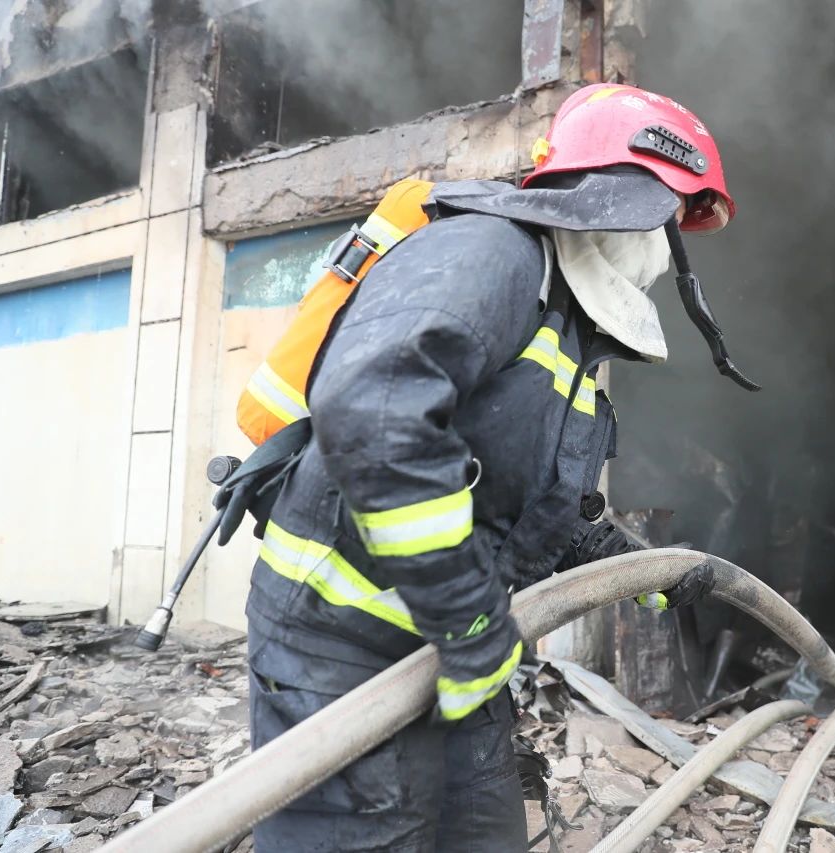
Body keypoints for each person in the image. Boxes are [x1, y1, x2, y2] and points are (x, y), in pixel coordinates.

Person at [244, 83, 741, 852]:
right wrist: (471, 619)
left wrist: (650, 573)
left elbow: (537, 507)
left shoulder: (567, 331)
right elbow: (375, 412)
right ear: (624, 194)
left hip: (450, 653)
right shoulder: (493, 255)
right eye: (671, 215)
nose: (667, 242)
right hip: (338, 652)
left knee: (486, 836)